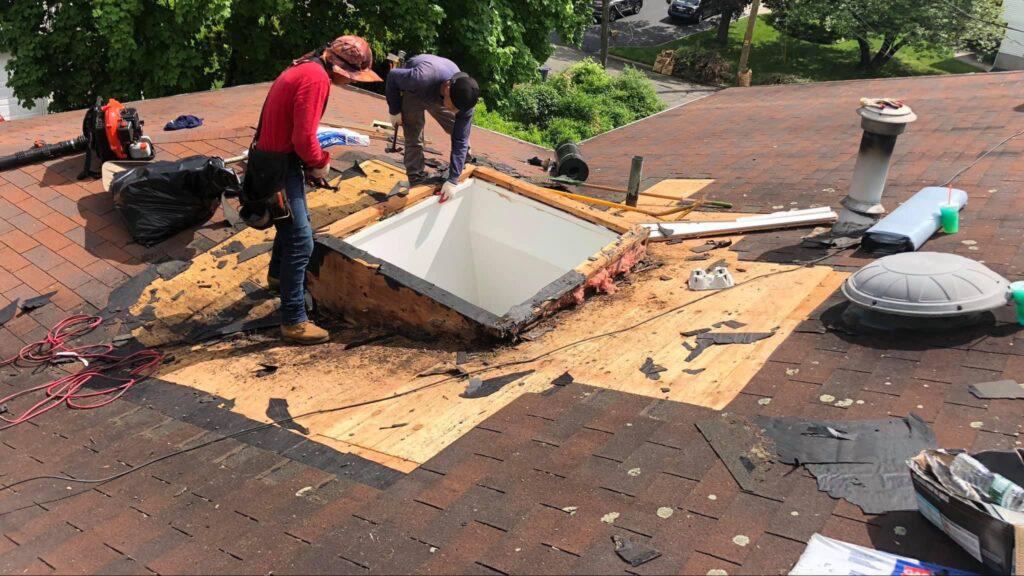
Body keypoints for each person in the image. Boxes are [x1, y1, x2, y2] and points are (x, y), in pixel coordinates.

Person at [259, 35, 382, 345]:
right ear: (342, 67)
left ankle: (277, 276)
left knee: (287, 223)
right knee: (301, 241)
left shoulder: (308, 67)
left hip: (274, 157)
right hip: (279, 164)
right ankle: (294, 321)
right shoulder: (316, 79)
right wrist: (319, 162)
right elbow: (303, 138)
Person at [385, 54, 480, 201]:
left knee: (458, 131)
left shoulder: (464, 102)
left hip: (438, 93)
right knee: (413, 134)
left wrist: (453, 180)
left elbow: (460, 139)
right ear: (447, 89)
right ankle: (416, 179)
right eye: (454, 107)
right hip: (416, 92)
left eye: (458, 109)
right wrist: (394, 109)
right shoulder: (419, 78)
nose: (455, 112)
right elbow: (392, 76)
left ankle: (463, 164)